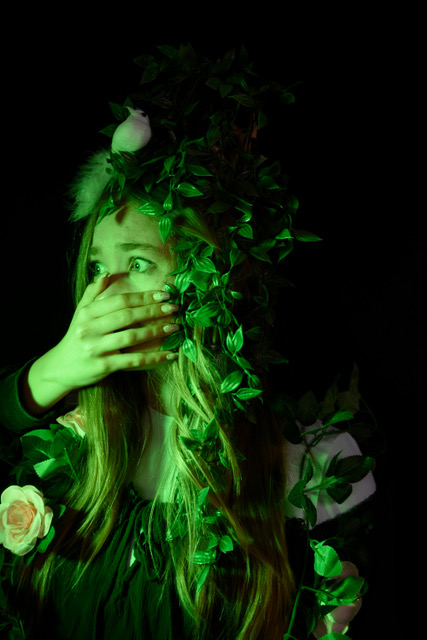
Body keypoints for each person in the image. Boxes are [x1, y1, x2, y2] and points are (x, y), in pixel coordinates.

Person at [0, 44, 376, 639]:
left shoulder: (296, 461)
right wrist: (55, 369)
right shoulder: (75, 441)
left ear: (208, 280)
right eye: (96, 267)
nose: (104, 293)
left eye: (138, 263)